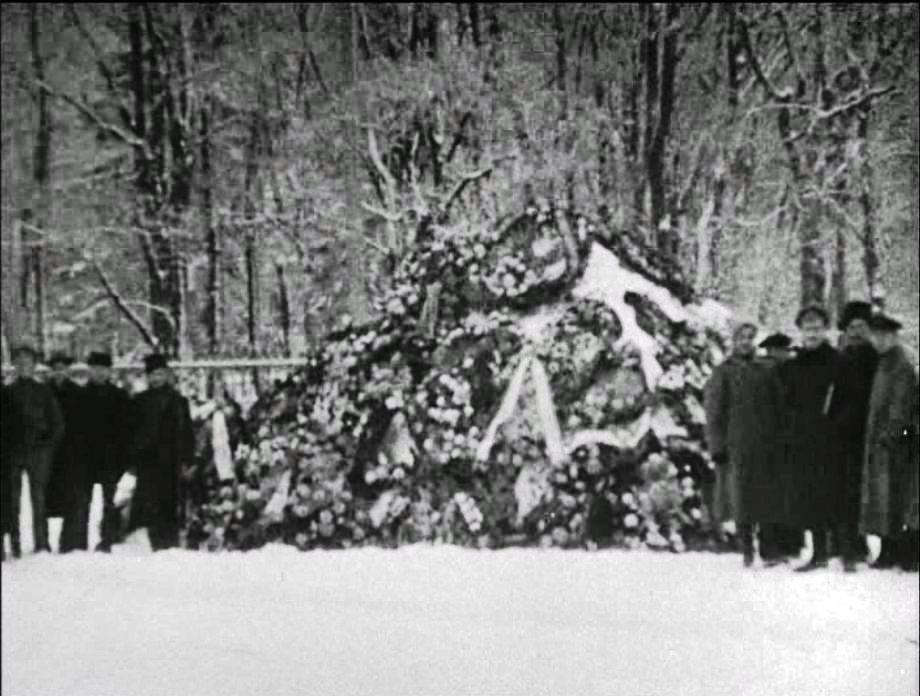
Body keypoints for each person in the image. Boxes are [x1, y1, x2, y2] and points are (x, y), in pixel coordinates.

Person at [704, 322, 786, 567]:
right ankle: (746, 548)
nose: (745, 342)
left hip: (765, 444)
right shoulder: (723, 371)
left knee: (767, 498)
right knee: (741, 500)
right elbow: (714, 412)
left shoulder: (766, 369)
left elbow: (779, 404)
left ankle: (769, 549)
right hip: (736, 445)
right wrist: (717, 446)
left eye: (750, 338)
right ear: (733, 341)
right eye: (741, 338)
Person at [859, 312, 919, 571]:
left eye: (885, 335)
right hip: (882, 441)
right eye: (876, 335)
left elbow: (901, 407)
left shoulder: (901, 363)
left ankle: (898, 551)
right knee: (884, 498)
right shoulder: (883, 361)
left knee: (895, 497)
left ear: (894, 336)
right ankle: (889, 549)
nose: (880, 340)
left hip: (895, 443)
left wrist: (892, 436)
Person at [784, 305, 842, 572]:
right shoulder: (794, 364)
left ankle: (843, 550)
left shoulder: (837, 361)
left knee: (832, 496)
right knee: (810, 497)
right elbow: (788, 401)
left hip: (831, 438)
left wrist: (833, 424)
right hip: (803, 439)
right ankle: (818, 551)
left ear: (825, 330)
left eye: (817, 328)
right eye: (808, 328)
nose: (813, 333)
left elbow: (847, 399)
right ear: (801, 331)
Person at [825, 301, 878, 571]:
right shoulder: (840, 358)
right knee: (846, 492)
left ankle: (874, 546)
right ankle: (848, 547)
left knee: (867, 492)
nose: (856, 332)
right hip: (844, 436)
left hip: (873, 434)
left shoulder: (877, 358)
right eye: (851, 327)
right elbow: (833, 397)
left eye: (861, 326)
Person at [63, 351, 132, 553]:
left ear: (110, 371)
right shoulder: (80, 395)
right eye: (95, 369)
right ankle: (79, 543)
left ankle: (108, 541)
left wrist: (123, 458)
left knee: (110, 503)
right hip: (84, 459)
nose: (99, 373)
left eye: (103, 369)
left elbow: (127, 429)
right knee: (82, 504)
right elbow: (72, 429)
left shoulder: (120, 397)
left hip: (111, 459)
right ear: (89, 371)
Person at [128, 353, 194, 551]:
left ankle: (169, 544)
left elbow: (187, 433)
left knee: (170, 505)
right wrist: (133, 459)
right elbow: (132, 432)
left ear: (167, 374)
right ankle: (149, 544)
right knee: (147, 506)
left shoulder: (179, 401)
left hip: (172, 461)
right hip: (147, 463)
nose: (156, 378)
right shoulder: (139, 401)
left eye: (160, 374)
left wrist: (187, 460)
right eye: (152, 375)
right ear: (147, 377)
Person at [5, 344, 65, 555]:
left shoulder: (43, 391)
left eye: (27, 363)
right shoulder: (7, 392)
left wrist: (47, 446)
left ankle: (41, 544)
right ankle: (15, 544)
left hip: (39, 454)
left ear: (34, 366)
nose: (23, 367)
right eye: (19, 363)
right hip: (13, 453)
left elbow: (57, 423)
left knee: (39, 500)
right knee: (12, 501)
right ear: (14, 366)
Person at [46, 352, 86, 548]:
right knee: (45, 499)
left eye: (63, 368)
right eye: (56, 368)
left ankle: (69, 542)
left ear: (68, 370)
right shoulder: (44, 391)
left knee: (72, 498)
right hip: (49, 452)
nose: (59, 372)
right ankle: (42, 543)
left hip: (71, 452)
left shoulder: (78, 393)